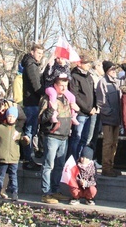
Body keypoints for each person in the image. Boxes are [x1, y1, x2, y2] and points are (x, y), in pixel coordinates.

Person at [38, 73, 73, 204]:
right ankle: (45, 193)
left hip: (64, 136)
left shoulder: (67, 98)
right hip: (52, 136)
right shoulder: (47, 99)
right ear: (55, 86)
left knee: (59, 165)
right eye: (61, 85)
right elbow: (41, 119)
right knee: (49, 165)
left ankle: (55, 190)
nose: (63, 88)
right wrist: (51, 111)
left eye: (65, 85)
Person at [96, 61, 122, 177]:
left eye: (115, 69)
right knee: (108, 143)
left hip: (117, 119)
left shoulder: (117, 82)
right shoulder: (102, 82)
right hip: (108, 119)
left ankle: (111, 166)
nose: (114, 71)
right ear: (107, 71)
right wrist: (110, 112)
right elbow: (101, 102)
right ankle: (106, 168)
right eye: (112, 69)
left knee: (114, 144)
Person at [21, 43, 45, 170]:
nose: (40, 56)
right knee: (30, 132)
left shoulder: (31, 64)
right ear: (32, 52)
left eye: (41, 54)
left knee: (31, 131)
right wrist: (45, 92)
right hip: (31, 102)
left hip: (32, 101)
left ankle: (28, 158)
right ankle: (28, 159)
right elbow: (36, 85)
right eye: (38, 53)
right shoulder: (31, 65)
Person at [69, 59, 97, 160]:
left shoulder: (89, 76)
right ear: (79, 64)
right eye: (86, 63)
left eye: (89, 63)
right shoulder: (75, 76)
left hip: (90, 113)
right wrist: (87, 108)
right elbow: (75, 95)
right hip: (80, 113)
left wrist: (95, 106)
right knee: (77, 137)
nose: (89, 65)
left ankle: (81, 159)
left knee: (84, 139)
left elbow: (93, 93)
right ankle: (73, 159)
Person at [0, 106, 21, 200]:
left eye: (13, 116)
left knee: (13, 176)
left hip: (13, 157)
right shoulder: (0, 128)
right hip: (3, 156)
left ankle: (14, 193)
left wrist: (25, 139)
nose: (10, 118)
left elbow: (23, 141)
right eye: (9, 116)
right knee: (0, 176)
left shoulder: (18, 129)